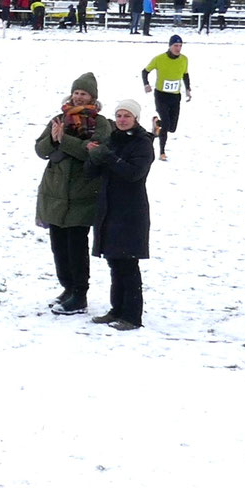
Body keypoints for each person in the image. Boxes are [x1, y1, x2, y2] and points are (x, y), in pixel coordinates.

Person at [35, 71, 110, 316]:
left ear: (93, 97)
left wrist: (63, 140)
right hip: (55, 193)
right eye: (76, 92)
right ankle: (67, 288)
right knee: (58, 246)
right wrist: (54, 140)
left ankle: (80, 294)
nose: (78, 97)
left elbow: (93, 152)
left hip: (82, 194)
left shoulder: (101, 123)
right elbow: (40, 149)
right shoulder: (59, 118)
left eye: (83, 93)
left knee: (76, 246)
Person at [86, 98, 155, 330]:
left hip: (131, 212)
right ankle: (116, 309)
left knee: (128, 264)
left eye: (127, 116)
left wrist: (108, 157)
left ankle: (132, 316)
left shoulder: (143, 143)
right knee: (114, 262)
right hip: (109, 209)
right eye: (119, 116)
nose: (122, 120)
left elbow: (134, 173)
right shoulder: (112, 139)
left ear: (135, 119)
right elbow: (92, 172)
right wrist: (94, 156)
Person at [140, 34, 191, 161]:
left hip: (175, 96)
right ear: (170, 46)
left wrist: (188, 89)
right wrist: (146, 84)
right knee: (166, 125)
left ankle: (157, 123)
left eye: (180, 46)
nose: (178, 48)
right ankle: (162, 152)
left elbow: (185, 74)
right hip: (161, 95)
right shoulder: (159, 59)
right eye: (175, 46)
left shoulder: (184, 59)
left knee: (172, 128)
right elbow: (145, 72)